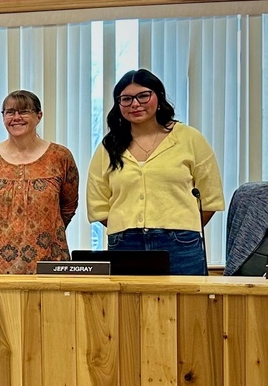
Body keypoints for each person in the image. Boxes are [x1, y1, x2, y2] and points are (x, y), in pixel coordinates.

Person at [87, 68, 224, 275]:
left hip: (181, 244)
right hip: (125, 244)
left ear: (158, 97)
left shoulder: (189, 138)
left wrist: (179, 226)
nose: (135, 104)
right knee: (128, 307)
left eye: (143, 96)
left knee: (187, 306)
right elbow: (98, 202)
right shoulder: (109, 146)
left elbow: (209, 196)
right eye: (126, 99)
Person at [0, 90, 79, 273]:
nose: (16, 117)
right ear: (3, 117)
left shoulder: (60, 157)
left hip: (47, 261)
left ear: (39, 116)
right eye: (10, 112)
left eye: (24, 111)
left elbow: (68, 207)